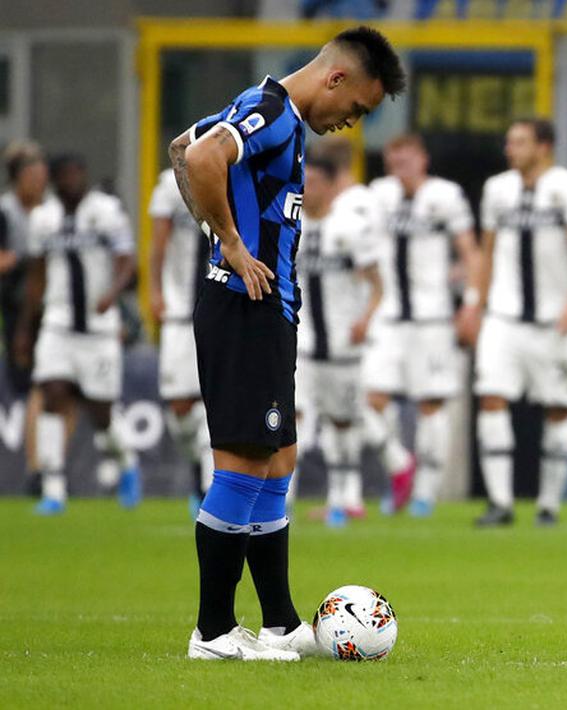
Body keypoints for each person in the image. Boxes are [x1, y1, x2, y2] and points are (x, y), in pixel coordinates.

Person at [168, 26, 404, 661]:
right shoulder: (272, 111)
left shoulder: (283, 117)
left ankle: (278, 622)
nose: (348, 124)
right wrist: (232, 244)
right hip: (245, 305)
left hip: (270, 309)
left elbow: (179, 145)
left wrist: (221, 232)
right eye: (354, 109)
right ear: (336, 79)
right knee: (244, 460)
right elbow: (200, 159)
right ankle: (212, 631)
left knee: (279, 458)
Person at [471, 118, 567, 527]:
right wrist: (476, 304)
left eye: (520, 141)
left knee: (559, 408)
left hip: (552, 318)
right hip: (504, 316)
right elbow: (487, 253)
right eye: (509, 141)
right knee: (491, 397)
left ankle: (548, 505)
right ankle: (501, 503)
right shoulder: (496, 189)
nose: (510, 149)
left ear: (544, 146)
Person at [17, 154, 139, 515]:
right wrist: (27, 326)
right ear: (56, 181)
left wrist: (113, 292)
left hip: (99, 330)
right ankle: (54, 488)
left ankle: (127, 462)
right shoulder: (44, 219)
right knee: (53, 395)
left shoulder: (107, 211)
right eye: (67, 176)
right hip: (58, 323)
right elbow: (38, 275)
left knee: (101, 414)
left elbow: (127, 261)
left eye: (77, 173)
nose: (73, 180)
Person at [365, 133, 479, 517]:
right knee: (370, 399)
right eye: (395, 161)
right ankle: (400, 466)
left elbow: (469, 251)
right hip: (389, 315)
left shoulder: (445, 196)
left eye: (408, 160)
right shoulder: (376, 196)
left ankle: (425, 494)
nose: (402, 168)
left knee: (432, 403)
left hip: (432, 317)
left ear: (423, 160)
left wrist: (471, 303)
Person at [297, 151, 383, 528]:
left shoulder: (351, 228)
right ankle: (280, 504)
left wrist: (365, 319)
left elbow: (378, 284)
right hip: (301, 342)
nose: (306, 188)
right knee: (293, 419)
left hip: (344, 346)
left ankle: (344, 497)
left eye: (314, 182)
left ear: (332, 187)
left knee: (342, 422)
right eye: (304, 180)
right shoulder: (291, 226)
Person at [149, 167, 213, 518]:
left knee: (211, 401)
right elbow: (158, 242)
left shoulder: (237, 178)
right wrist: (155, 291)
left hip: (219, 308)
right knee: (179, 409)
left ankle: (207, 487)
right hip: (178, 310)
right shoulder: (169, 185)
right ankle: (195, 469)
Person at [1, 142, 50, 492]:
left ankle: (43, 468)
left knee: (47, 387)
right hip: (18, 307)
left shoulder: (50, 211)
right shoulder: (6, 212)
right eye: (32, 175)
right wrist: (24, 258)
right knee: (33, 386)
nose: (39, 182)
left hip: (50, 309)